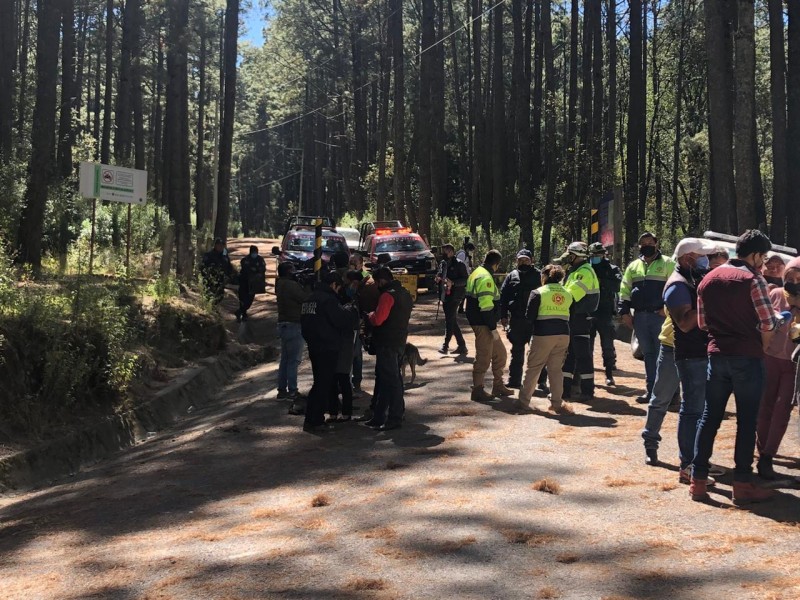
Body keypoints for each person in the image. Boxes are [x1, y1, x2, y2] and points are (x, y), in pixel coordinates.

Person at [690, 229, 789, 504]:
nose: (763, 262)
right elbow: (768, 322)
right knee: (747, 421)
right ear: (755, 255)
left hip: (717, 355)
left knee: (709, 417)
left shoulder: (707, 279)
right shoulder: (753, 280)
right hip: (747, 357)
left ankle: (698, 480)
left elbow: (702, 323)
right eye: (763, 256)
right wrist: (780, 320)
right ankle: (742, 483)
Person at [641, 238, 718, 478]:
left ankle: (694, 459)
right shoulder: (677, 285)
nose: (706, 260)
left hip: (694, 351)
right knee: (662, 399)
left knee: (695, 407)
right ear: (687, 258)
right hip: (672, 347)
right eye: (701, 256)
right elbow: (685, 323)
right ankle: (651, 443)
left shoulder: (694, 278)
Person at [755, 256, 800, 479]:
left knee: (782, 410)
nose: (793, 282)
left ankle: (767, 457)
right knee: (765, 405)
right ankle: (760, 449)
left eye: (798, 278)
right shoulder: (775, 295)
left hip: (793, 366)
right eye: (789, 277)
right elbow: (762, 324)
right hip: (769, 359)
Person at [619, 233, 675, 404]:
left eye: (650, 242)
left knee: (664, 356)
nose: (646, 246)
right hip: (641, 317)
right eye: (643, 243)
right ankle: (651, 392)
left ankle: (671, 395)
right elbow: (625, 289)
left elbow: (675, 287)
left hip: (660, 317)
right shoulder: (634, 266)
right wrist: (624, 312)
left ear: (657, 244)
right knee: (648, 356)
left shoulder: (668, 263)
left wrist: (667, 310)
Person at [300, 272, 359, 433]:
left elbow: (304, 325)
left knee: (318, 384)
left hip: (314, 347)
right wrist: (351, 312)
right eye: (338, 287)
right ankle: (316, 420)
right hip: (327, 348)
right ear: (334, 285)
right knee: (323, 385)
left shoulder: (309, 299)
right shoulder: (328, 300)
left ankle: (311, 418)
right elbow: (341, 320)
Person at [515, 264, 574, 414]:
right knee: (555, 370)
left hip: (543, 334)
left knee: (533, 368)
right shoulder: (567, 293)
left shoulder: (538, 292)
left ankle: (523, 402)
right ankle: (557, 403)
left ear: (545, 276)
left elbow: (529, 317)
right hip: (563, 334)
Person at [364, 267, 413, 431]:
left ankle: (394, 417)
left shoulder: (387, 295)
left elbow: (378, 319)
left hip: (387, 343)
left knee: (391, 381)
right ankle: (379, 417)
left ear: (381, 281)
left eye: (377, 282)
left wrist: (369, 315)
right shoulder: (405, 293)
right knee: (388, 380)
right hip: (399, 341)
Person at [466, 250, 513, 401]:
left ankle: (498, 385)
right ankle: (477, 390)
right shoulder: (485, 277)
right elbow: (486, 305)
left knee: (500, 354)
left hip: (485, 322)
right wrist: (492, 327)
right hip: (484, 323)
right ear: (496, 264)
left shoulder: (477, 272)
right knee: (484, 357)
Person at [559, 242, 600, 400]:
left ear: (577, 255)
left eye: (570, 254)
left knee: (583, 355)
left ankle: (587, 391)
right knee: (569, 355)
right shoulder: (575, 270)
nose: (568, 257)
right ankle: (565, 390)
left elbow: (570, 295)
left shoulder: (584, 272)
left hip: (581, 318)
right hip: (573, 318)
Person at [499, 250, 542, 388]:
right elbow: (503, 296)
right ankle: (514, 380)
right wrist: (503, 315)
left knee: (537, 352)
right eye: (520, 260)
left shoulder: (539, 275)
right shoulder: (511, 276)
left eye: (526, 260)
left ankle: (541, 382)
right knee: (517, 350)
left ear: (531, 260)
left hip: (535, 320)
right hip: (517, 319)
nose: (523, 262)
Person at [328, 271, 363, 423]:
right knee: (340, 381)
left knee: (340, 381)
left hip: (341, 349)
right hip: (341, 349)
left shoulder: (347, 308)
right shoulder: (347, 307)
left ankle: (340, 412)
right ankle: (339, 412)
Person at [275, 261, 311, 404]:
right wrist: (307, 284)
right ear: (289, 271)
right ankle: (293, 391)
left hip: (284, 325)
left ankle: (282, 390)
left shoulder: (280, 284)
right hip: (294, 325)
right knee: (293, 360)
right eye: (294, 270)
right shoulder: (291, 285)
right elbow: (305, 298)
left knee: (285, 360)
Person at [588, 242, 622, 386]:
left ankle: (609, 373)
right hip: (588, 311)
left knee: (607, 345)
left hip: (605, 311)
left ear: (604, 255)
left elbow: (617, 285)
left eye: (598, 255)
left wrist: (601, 282)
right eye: (593, 255)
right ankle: (587, 376)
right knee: (586, 346)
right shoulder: (586, 269)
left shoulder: (612, 269)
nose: (595, 257)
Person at [436, 244, 469, 355]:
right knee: (451, 320)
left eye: (447, 251)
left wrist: (453, 283)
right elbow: (440, 273)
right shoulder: (443, 263)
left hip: (455, 296)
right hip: (445, 295)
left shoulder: (459, 264)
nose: (445, 253)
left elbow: (465, 280)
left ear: (452, 252)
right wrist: (438, 278)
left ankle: (445, 345)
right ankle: (462, 345)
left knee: (449, 320)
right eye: (444, 251)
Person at [236, 245, 266, 322]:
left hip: (253, 284)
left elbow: (263, 268)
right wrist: (254, 269)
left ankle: (240, 311)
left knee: (249, 300)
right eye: (253, 252)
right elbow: (246, 269)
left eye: (256, 252)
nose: (255, 253)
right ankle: (243, 314)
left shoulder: (260, 259)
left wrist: (257, 270)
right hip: (244, 282)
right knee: (242, 299)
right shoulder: (245, 260)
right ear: (250, 252)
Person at [201, 237, 234, 304]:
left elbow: (229, 266)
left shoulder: (225, 256)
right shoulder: (209, 255)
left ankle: (214, 307)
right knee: (209, 295)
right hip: (211, 279)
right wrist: (206, 277)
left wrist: (229, 275)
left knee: (220, 296)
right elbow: (203, 267)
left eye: (222, 245)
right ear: (215, 245)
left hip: (221, 280)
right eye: (219, 245)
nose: (221, 247)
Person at [456, 241, 476, 314]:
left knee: (465, 293)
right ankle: (459, 308)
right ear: (467, 249)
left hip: (466, 276)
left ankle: (461, 308)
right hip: (462, 277)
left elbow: (468, 266)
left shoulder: (466, 255)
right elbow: (459, 266)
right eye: (471, 250)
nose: (471, 252)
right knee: (462, 293)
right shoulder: (462, 254)